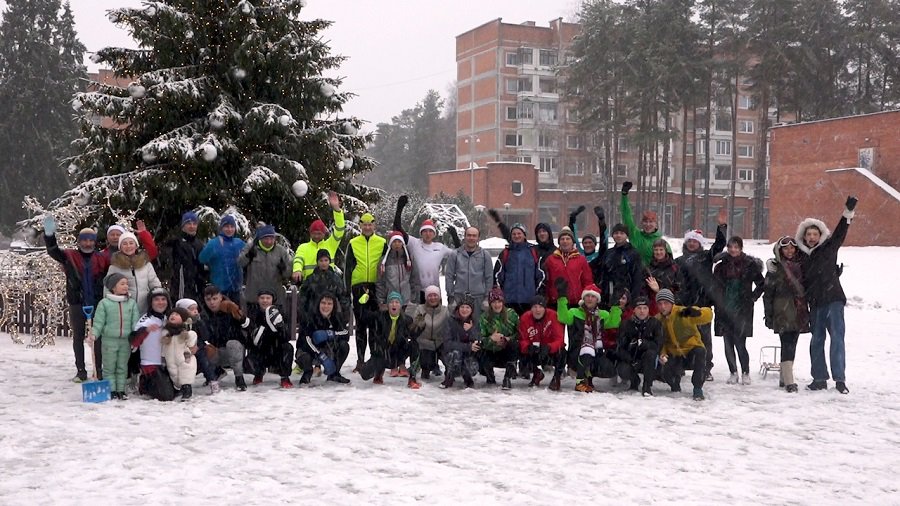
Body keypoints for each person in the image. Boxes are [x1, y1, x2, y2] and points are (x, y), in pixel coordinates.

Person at [796, 196, 857, 394]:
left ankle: (840, 380)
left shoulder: (829, 248)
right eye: (809, 235)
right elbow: (785, 256)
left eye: (815, 234)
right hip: (815, 302)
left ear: (820, 235)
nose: (812, 237)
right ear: (804, 237)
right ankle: (819, 378)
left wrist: (847, 213)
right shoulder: (801, 255)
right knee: (816, 340)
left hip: (833, 300)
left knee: (837, 339)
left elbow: (840, 233)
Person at [43, 217, 109, 382]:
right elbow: (53, 251)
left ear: (94, 242)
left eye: (90, 240)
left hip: (97, 302)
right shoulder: (69, 256)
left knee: (98, 338)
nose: (87, 243)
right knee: (78, 337)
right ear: (79, 242)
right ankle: (81, 370)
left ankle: (98, 369)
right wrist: (49, 235)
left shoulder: (101, 258)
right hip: (77, 303)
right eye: (84, 240)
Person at [675, 209, 727, 381]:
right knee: (683, 334)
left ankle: (706, 366)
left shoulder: (706, 257)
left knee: (704, 337)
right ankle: (682, 364)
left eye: (694, 242)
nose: (691, 244)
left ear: (699, 244)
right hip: (683, 304)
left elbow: (719, 245)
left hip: (702, 303)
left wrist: (721, 227)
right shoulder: (679, 261)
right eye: (689, 241)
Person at [713, 236, 765, 385]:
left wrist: (753, 297)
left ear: (741, 248)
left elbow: (761, 284)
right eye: (730, 247)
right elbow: (714, 286)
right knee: (727, 342)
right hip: (724, 308)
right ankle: (733, 372)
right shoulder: (721, 266)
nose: (733, 250)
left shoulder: (750, 265)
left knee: (740, 342)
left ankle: (745, 372)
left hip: (742, 309)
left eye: (736, 247)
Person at [556, 279, 622, 392]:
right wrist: (562, 297)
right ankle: (580, 382)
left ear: (597, 299)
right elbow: (562, 317)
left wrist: (616, 305)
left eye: (593, 296)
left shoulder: (603, 314)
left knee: (608, 369)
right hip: (577, 351)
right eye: (587, 296)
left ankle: (589, 377)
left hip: (596, 351)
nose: (590, 299)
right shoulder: (574, 312)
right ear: (583, 298)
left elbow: (614, 322)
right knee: (587, 351)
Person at [762, 236, 810, 393]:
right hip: (782, 311)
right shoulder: (774, 269)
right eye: (785, 248)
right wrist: (768, 314)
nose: (789, 251)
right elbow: (767, 294)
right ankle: (789, 381)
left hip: (799, 310)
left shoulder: (803, 266)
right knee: (787, 343)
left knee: (792, 343)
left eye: (792, 248)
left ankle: (784, 377)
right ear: (779, 250)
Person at [392, 196, 460, 303]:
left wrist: (455, 237)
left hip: (435, 293)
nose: (427, 234)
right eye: (425, 231)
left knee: (436, 319)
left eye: (430, 231)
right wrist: (400, 207)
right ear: (421, 233)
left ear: (434, 234)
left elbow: (459, 254)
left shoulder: (440, 247)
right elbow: (397, 229)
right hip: (418, 292)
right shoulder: (414, 243)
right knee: (419, 319)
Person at [656, 288, 713, 401]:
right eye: (660, 304)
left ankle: (697, 388)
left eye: (666, 303)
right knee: (666, 371)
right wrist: (663, 354)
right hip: (673, 353)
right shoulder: (658, 319)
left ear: (672, 303)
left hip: (691, 350)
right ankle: (674, 384)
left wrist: (699, 312)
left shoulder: (683, 312)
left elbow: (708, 315)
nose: (663, 306)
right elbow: (661, 341)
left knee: (700, 352)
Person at [346, 212, 385, 371]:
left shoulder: (382, 242)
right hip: (358, 286)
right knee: (361, 326)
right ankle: (360, 360)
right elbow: (347, 268)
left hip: (376, 287)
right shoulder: (353, 243)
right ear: (360, 225)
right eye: (364, 224)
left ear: (374, 225)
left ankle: (374, 358)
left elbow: (387, 265)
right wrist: (347, 290)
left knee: (376, 325)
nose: (367, 227)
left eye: (370, 224)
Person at [91, 273, 140, 400]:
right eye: (122, 284)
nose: (125, 286)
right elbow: (98, 322)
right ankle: (111, 390)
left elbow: (135, 323)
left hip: (125, 341)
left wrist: (135, 339)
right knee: (109, 367)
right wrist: (93, 334)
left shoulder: (131, 304)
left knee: (122, 366)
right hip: (109, 340)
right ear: (113, 287)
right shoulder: (105, 303)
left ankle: (121, 390)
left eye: (126, 284)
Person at [363, 291, 421, 388]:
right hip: (382, 354)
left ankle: (412, 378)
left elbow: (414, 336)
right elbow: (364, 317)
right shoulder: (379, 316)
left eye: (397, 302)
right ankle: (378, 373)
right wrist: (365, 302)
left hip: (398, 355)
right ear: (387, 305)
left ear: (401, 305)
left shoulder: (407, 320)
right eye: (391, 302)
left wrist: (419, 327)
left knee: (415, 345)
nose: (394, 304)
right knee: (365, 374)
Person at [201, 285, 251, 391]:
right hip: (217, 350)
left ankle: (239, 378)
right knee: (204, 348)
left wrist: (240, 316)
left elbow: (249, 327)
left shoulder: (230, 308)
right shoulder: (204, 315)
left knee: (232, 344)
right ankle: (216, 372)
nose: (212, 302)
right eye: (208, 300)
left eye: (214, 299)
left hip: (235, 348)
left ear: (220, 297)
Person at [130, 288, 177, 401]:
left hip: (167, 362)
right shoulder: (146, 320)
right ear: (151, 303)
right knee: (166, 397)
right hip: (150, 364)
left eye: (163, 299)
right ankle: (144, 383)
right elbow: (133, 341)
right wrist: (145, 330)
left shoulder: (169, 318)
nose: (160, 302)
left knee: (175, 391)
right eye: (156, 300)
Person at [296, 292, 351, 385]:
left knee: (344, 345)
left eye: (329, 304)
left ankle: (334, 374)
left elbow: (346, 334)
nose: (326, 306)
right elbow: (304, 340)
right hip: (309, 350)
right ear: (318, 304)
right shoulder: (310, 317)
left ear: (334, 305)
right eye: (323, 303)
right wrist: (321, 356)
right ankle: (307, 373)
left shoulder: (337, 317)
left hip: (328, 349)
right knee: (304, 356)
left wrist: (330, 334)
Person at [291, 191, 346, 283]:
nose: (316, 236)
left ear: (324, 234)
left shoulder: (331, 244)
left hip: (328, 285)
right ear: (310, 233)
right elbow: (298, 259)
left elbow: (340, 229)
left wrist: (336, 210)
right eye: (314, 233)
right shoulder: (303, 247)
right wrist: (297, 270)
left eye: (319, 233)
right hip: (310, 286)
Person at [239, 222, 293, 315]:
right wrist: (248, 256)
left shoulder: (281, 251)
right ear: (260, 238)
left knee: (275, 327)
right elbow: (240, 263)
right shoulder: (251, 248)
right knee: (254, 327)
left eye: (271, 238)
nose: (269, 241)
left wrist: (284, 269)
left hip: (275, 298)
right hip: (254, 297)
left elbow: (288, 273)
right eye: (266, 238)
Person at [492, 222, 545, 316]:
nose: (516, 236)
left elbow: (540, 275)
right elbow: (497, 275)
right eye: (514, 234)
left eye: (519, 233)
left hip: (529, 300)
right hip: (509, 300)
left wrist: (538, 293)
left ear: (524, 235)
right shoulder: (505, 253)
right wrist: (499, 293)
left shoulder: (534, 252)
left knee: (526, 328)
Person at [616, 295, 664, 396]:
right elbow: (620, 347)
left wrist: (644, 343)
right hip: (631, 358)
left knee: (651, 354)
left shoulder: (655, 323)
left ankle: (647, 386)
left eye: (645, 308)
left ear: (648, 310)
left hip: (648, 360)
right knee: (622, 369)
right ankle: (634, 380)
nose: (642, 311)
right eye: (639, 308)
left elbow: (658, 344)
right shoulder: (626, 324)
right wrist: (630, 358)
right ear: (634, 310)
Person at [247, 289, 295, 388]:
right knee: (253, 349)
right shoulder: (253, 313)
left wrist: (279, 328)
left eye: (268, 298)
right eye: (262, 298)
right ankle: (258, 374)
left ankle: (285, 377)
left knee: (288, 347)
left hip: (276, 349)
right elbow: (249, 338)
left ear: (272, 300)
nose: (265, 300)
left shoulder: (280, 313)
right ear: (258, 300)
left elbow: (287, 337)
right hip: (260, 348)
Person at [445, 227, 494, 322]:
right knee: (457, 325)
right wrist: (451, 296)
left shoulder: (485, 255)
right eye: (469, 235)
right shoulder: (455, 254)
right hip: (459, 296)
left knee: (477, 325)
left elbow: (489, 277)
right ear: (465, 237)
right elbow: (449, 276)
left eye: (474, 236)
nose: (471, 238)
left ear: (478, 238)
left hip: (478, 297)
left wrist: (487, 297)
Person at [106, 231, 162, 315]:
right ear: (120, 247)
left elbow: (154, 283)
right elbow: (108, 288)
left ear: (136, 246)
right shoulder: (115, 266)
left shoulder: (145, 263)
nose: (128, 246)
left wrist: (158, 298)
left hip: (144, 309)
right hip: (123, 310)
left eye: (131, 243)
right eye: (124, 244)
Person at [517, 295, 566, 390]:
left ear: (545, 308)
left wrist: (549, 347)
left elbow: (560, 340)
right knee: (520, 350)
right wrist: (527, 347)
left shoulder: (553, 316)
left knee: (562, 352)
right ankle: (536, 374)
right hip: (534, 349)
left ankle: (557, 377)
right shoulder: (525, 318)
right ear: (531, 308)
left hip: (549, 350)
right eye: (535, 307)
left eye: (540, 307)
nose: (537, 310)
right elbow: (522, 339)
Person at [175, 298, 220, 394]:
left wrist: (200, 323)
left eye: (196, 309)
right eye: (191, 309)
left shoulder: (198, 322)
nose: (195, 311)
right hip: (183, 350)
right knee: (183, 366)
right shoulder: (179, 324)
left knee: (205, 363)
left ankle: (212, 380)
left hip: (199, 348)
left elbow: (205, 336)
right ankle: (183, 385)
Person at [478, 287, 519, 389]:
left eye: (499, 301)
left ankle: (507, 378)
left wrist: (508, 339)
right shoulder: (484, 317)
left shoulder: (512, 314)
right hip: (491, 351)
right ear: (490, 303)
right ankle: (489, 375)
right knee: (480, 351)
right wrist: (491, 339)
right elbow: (480, 339)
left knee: (514, 346)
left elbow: (520, 334)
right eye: (494, 302)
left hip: (506, 352)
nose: (497, 305)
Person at [595, 223, 643, 309]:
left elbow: (637, 277)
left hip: (625, 296)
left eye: (622, 233)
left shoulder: (633, 253)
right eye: (616, 233)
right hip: (608, 295)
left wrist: (633, 298)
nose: (618, 235)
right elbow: (603, 275)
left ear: (626, 235)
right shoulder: (609, 253)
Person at [199, 215, 246, 303]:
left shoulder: (239, 243)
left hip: (236, 288)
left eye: (232, 227)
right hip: (219, 289)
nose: (229, 229)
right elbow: (202, 259)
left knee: (236, 314)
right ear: (221, 228)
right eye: (226, 226)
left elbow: (249, 255)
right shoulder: (213, 243)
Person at [543, 226, 594, 307]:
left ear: (572, 242)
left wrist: (587, 297)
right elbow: (546, 281)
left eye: (568, 239)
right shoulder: (551, 259)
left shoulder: (581, 259)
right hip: (556, 301)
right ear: (559, 242)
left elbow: (587, 281)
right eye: (562, 239)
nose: (565, 241)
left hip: (576, 301)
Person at [618, 181, 668, 265]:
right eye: (645, 222)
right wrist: (624, 196)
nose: (648, 224)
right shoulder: (635, 235)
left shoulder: (661, 242)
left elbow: (670, 265)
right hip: (633, 275)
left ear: (656, 224)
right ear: (642, 223)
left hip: (652, 277)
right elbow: (626, 215)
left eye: (651, 222)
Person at [162, 211, 206, 301]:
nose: (192, 226)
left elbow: (203, 265)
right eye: (189, 223)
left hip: (197, 286)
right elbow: (166, 261)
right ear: (183, 226)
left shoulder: (199, 244)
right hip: (180, 286)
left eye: (194, 224)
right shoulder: (176, 242)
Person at [299, 249, 351, 323]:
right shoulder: (310, 279)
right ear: (317, 262)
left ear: (329, 261)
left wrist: (344, 316)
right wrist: (305, 316)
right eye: (321, 260)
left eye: (326, 260)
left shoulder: (336, 279)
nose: (324, 263)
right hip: (314, 318)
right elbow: (303, 299)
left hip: (332, 317)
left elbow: (343, 297)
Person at [411, 285, 449, 380]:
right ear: (426, 298)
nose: (433, 298)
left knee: (449, 358)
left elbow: (450, 327)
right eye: (430, 295)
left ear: (439, 297)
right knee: (427, 363)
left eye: (435, 295)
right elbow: (413, 329)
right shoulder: (420, 309)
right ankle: (426, 368)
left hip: (440, 342)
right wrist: (419, 323)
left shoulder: (445, 310)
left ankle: (449, 373)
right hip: (425, 343)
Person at [440, 295, 479, 389]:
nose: (464, 310)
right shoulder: (450, 321)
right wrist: (467, 347)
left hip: (469, 355)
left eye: (467, 307)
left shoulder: (475, 322)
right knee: (455, 354)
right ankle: (449, 376)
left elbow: (479, 340)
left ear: (471, 310)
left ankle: (467, 377)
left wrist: (471, 330)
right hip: (453, 353)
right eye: (462, 307)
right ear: (458, 308)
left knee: (471, 366)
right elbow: (447, 343)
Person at [377, 231, 420, 311]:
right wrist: (381, 301)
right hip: (391, 302)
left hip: (407, 302)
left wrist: (415, 299)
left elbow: (415, 280)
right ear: (390, 243)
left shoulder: (409, 259)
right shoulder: (384, 261)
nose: (397, 244)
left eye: (399, 241)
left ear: (403, 243)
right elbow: (380, 282)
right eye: (394, 242)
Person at [161, 307, 198, 400]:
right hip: (171, 359)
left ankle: (187, 389)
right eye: (172, 314)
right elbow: (163, 347)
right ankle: (179, 388)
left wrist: (187, 334)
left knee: (185, 373)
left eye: (177, 315)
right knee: (173, 373)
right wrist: (163, 357)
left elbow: (191, 343)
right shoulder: (166, 334)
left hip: (184, 358)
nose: (173, 316)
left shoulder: (187, 333)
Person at [644, 238, 678, 315]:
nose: (658, 252)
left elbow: (679, 288)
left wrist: (659, 290)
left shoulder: (674, 267)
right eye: (656, 250)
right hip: (653, 307)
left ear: (665, 251)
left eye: (661, 250)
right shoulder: (649, 269)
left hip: (671, 306)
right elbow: (644, 290)